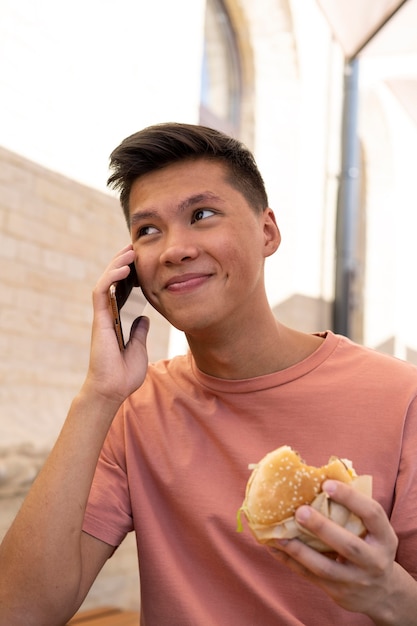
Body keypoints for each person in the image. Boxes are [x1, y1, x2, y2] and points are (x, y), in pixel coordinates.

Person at [0, 122, 416, 626]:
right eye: (147, 230)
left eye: (202, 215)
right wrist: (98, 395)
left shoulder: (401, 398)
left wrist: (388, 594)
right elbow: (20, 612)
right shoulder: (134, 407)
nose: (174, 248)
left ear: (267, 231)